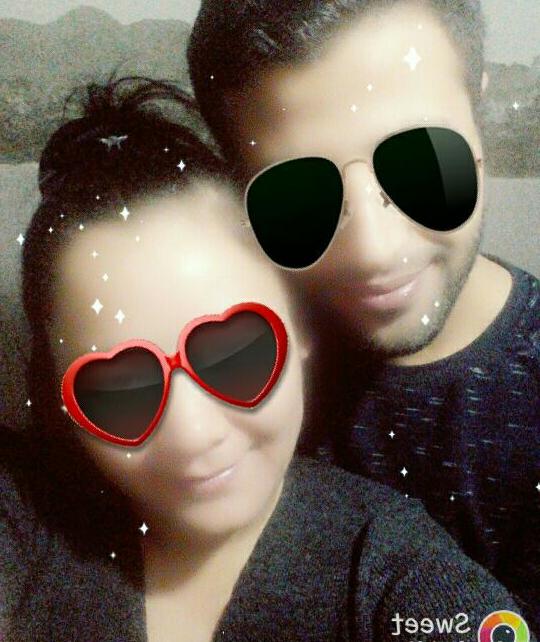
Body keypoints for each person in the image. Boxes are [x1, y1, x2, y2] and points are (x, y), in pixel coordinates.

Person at [0, 78, 531, 641]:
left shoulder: (392, 576)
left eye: (234, 352)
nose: (193, 435)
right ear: (61, 401)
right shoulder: (27, 512)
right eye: (119, 389)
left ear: (300, 323)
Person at [187, 0, 540, 629]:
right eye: (297, 192)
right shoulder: (216, 375)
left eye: (420, 159)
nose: (374, 252)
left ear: (478, 106)